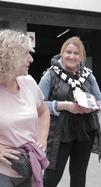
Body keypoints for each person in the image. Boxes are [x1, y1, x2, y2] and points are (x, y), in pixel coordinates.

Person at [38, 36, 101, 187]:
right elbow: (37, 104)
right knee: (51, 177)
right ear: (62, 53)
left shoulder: (88, 75)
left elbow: (100, 101)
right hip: (59, 133)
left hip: (85, 131)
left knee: (79, 177)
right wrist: (65, 105)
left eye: (76, 53)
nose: (71, 56)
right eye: (68, 52)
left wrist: (92, 107)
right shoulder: (51, 74)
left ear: (81, 56)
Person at [0, 29, 50, 187]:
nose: (31, 59)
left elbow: (43, 112)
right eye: (25, 54)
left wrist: (42, 139)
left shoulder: (28, 82)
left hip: (27, 165)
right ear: (9, 56)